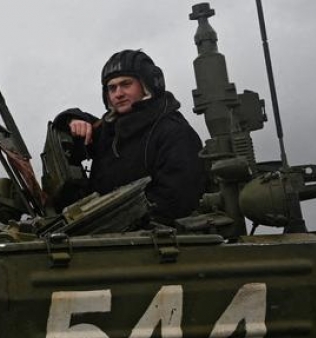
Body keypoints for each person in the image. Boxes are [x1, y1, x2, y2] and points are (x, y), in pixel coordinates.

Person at [53, 49, 206, 224]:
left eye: (126, 84)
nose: (118, 93)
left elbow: (176, 198)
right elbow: (69, 132)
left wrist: (116, 223)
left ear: (147, 85)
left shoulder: (173, 132)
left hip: (151, 240)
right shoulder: (109, 130)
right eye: (112, 88)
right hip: (103, 236)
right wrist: (72, 119)